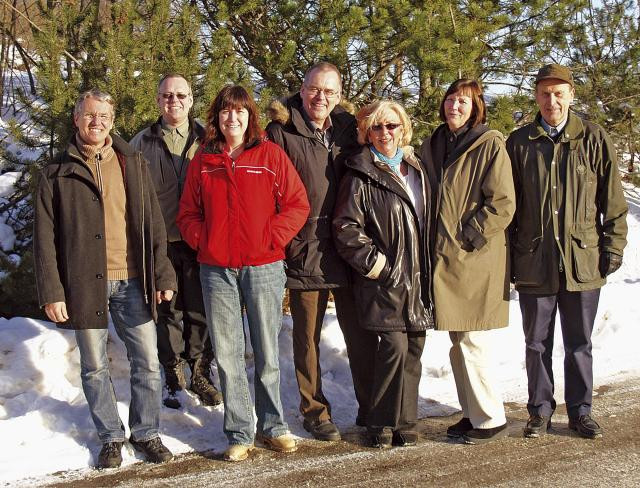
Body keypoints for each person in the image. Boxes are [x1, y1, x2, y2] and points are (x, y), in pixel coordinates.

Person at [33, 89, 177, 469]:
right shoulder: (56, 172)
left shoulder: (132, 162)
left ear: (113, 121)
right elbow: (44, 240)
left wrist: (162, 272)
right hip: (85, 284)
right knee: (94, 366)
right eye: (89, 115)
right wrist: (53, 290)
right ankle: (111, 437)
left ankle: (146, 432)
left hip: (133, 280)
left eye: (104, 117)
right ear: (77, 119)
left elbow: (153, 224)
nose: (97, 122)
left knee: (146, 362)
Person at [177, 85, 310, 462]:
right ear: (216, 118)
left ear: (250, 116)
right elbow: (187, 213)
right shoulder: (204, 160)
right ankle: (239, 431)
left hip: (264, 266)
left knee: (267, 351)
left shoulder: (269, 155)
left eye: (239, 112)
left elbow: (297, 205)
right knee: (228, 353)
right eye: (224, 112)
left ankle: (273, 426)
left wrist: (272, 237)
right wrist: (205, 241)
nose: (232, 119)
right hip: (217, 269)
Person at [506, 64, 628, 439]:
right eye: (545, 93)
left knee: (579, 343)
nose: (551, 100)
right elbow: (508, 206)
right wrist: (508, 259)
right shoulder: (519, 142)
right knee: (536, 343)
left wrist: (613, 248)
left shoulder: (593, 138)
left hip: (583, 260)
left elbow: (613, 202)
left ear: (572, 95)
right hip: (534, 262)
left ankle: (580, 411)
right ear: (536, 96)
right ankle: (539, 410)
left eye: (559, 93)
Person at [266, 62, 377, 441]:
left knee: (359, 332)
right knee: (307, 337)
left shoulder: (349, 130)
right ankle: (314, 410)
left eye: (330, 92)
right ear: (302, 88)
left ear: (339, 94)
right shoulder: (281, 132)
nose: (321, 98)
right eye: (315, 90)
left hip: (347, 246)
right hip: (304, 246)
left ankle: (371, 405)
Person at [420, 79, 516, 444]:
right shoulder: (436, 142)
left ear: (476, 107)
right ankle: (472, 413)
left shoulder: (489, 144)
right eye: (449, 100)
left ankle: (490, 418)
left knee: (474, 340)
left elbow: (503, 203)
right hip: (445, 259)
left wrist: (468, 237)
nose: (454, 107)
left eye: (462, 102)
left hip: (474, 257)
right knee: (458, 343)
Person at [333, 100, 433, 448]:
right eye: (377, 127)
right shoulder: (359, 173)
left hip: (418, 279)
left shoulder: (416, 170)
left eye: (391, 126)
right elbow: (346, 228)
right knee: (393, 347)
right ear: (366, 133)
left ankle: (405, 422)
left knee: (414, 347)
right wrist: (378, 266)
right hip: (386, 280)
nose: (385, 133)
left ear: (403, 128)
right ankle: (378, 422)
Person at [130, 74, 222, 409]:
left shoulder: (209, 139)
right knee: (165, 309)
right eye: (167, 95)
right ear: (158, 100)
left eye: (181, 95)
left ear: (191, 99)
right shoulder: (142, 142)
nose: (174, 101)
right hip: (161, 240)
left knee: (199, 308)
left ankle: (198, 369)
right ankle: (172, 372)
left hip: (201, 239)